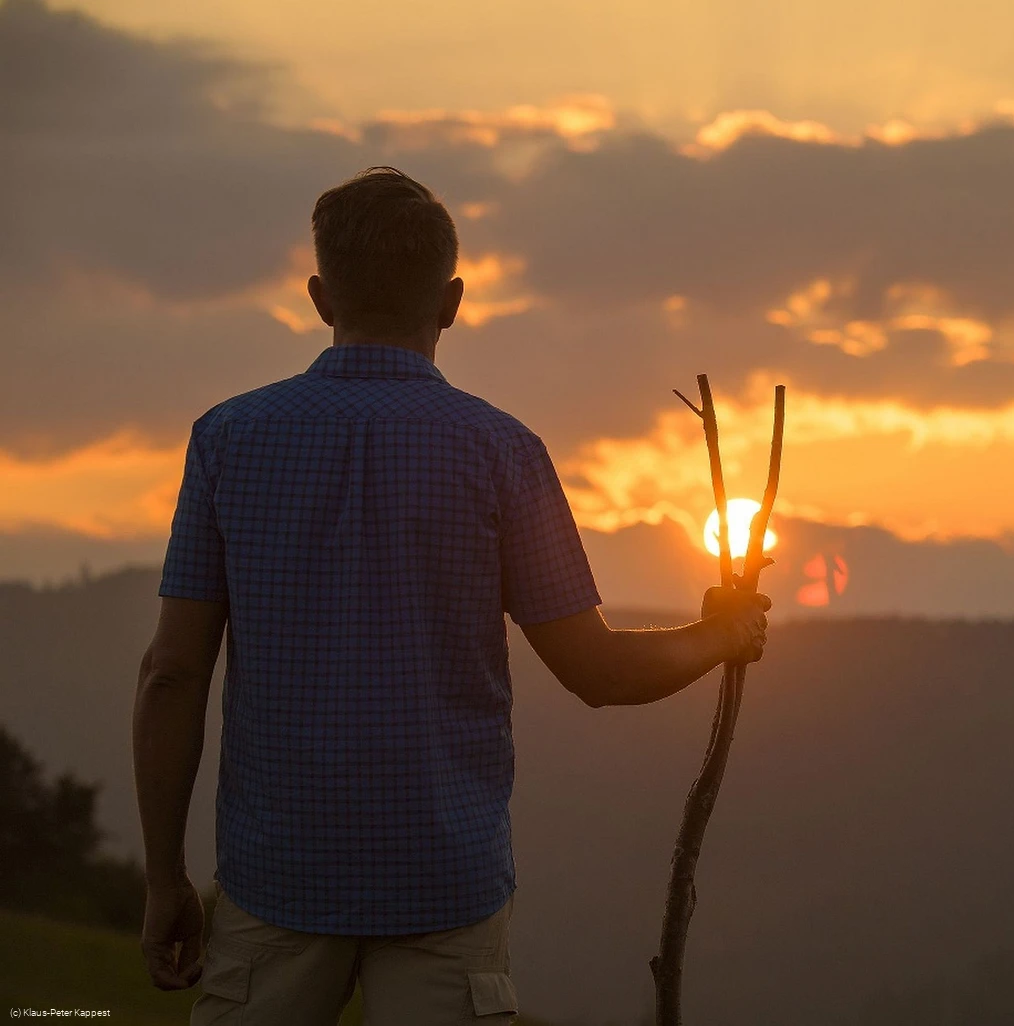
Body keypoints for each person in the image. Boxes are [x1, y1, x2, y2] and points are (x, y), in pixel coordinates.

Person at [131, 166, 771, 1025]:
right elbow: (599, 669)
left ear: (321, 298)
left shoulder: (227, 440)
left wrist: (165, 874)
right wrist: (719, 636)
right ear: (453, 301)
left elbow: (172, 677)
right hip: (444, 881)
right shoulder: (504, 453)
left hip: (275, 879)